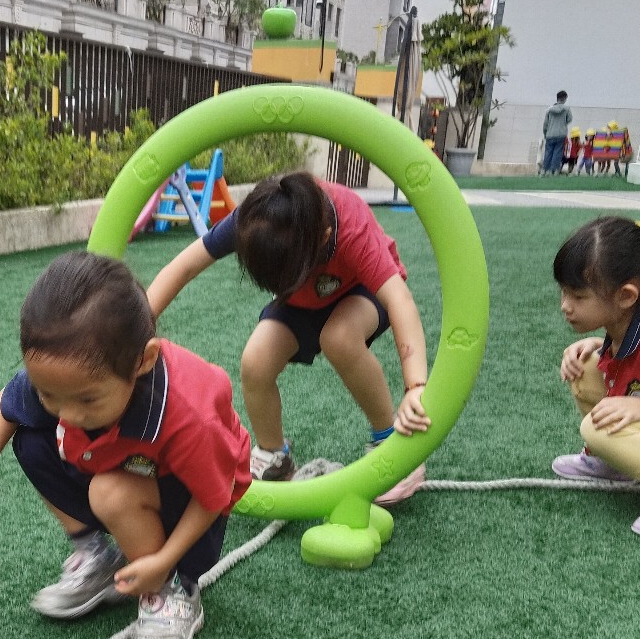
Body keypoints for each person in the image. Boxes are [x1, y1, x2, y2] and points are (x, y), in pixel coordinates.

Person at [0, 251, 252, 639]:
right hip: (122, 461)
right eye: (49, 395)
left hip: (194, 492)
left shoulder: (188, 416)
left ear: (143, 361)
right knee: (31, 440)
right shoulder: (67, 377)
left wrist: (165, 559)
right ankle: (97, 556)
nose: (68, 414)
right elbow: (7, 404)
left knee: (111, 493)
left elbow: (214, 494)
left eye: (88, 399)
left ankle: (172, 589)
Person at [145, 171, 431, 501]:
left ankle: (389, 442)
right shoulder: (256, 219)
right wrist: (139, 327)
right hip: (300, 296)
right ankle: (274, 456)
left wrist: (415, 385)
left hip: (362, 291)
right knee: (256, 360)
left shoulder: (350, 225)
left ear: (323, 238)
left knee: (339, 337)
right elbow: (184, 266)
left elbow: (399, 300)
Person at [550, 216, 640, 540]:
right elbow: (630, 360)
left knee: (596, 427)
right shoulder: (628, 322)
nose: (565, 306)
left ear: (626, 296)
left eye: (578, 296)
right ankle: (613, 465)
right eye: (564, 293)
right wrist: (598, 345)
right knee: (585, 370)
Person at [541, 91, 573, 175]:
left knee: (548, 152)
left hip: (550, 134)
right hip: (561, 134)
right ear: (564, 98)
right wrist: (563, 123)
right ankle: (554, 170)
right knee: (557, 152)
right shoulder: (567, 109)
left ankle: (544, 170)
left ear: (557, 98)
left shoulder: (549, 110)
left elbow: (545, 124)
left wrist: (545, 133)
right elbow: (569, 119)